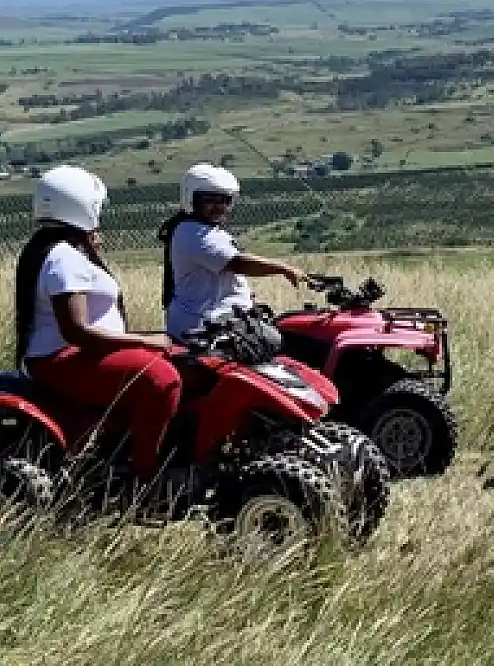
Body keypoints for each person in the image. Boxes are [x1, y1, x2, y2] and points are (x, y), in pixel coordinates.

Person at [17, 165, 181, 493]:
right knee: (161, 380)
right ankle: (145, 478)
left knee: (190, 361)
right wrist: (145, 342)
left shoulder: (63, 249)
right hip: (63, 357)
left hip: (78, 353)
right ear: (80, 205)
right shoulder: (63, 257)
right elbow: (76, 330)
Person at [159, 163, 304, 337]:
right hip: (204, 329)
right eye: (210, 200)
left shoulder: (206, 229)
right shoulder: (193, 232)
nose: (219, 207)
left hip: (221, 323)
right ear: (191, 199)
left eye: (225, 200)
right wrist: (283, 268)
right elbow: (238, 263)